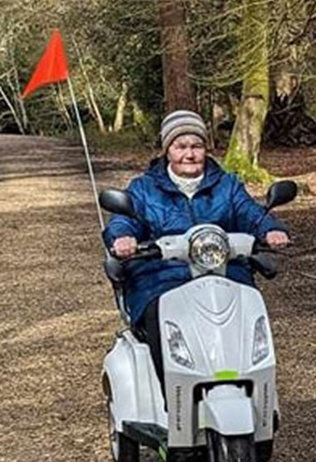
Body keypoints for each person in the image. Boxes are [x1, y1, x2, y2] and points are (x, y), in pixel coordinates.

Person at [103, 109, 290, 392]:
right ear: (167, 150)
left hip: (225, 271)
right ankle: (173, 399)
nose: (189, 154)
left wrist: (270, 229)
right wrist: (122, 237)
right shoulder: (143, 189)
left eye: (196, 146)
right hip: (163, 276)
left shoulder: (227, 185)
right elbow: (123, 220)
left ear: (206, 148)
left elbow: (250, 213)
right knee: (158, 317)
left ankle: (256, 394)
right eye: (180, 146)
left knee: (248, 316)